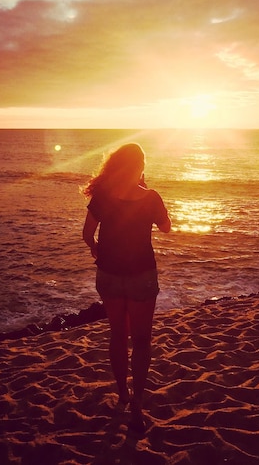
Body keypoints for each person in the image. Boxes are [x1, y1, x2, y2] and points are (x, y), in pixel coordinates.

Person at [82, 143, 171, 433]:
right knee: (142, 341)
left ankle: (122, 392)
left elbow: (87, 234)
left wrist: (97, 250)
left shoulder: (102, 197)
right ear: (140, 167)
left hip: (108, 274)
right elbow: (166, 227)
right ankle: (137, 404)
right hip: (141, 276)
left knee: (118, 335)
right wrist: (161, 210)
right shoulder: (151, 197)